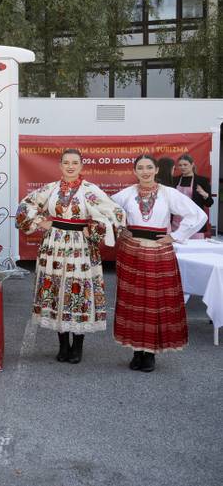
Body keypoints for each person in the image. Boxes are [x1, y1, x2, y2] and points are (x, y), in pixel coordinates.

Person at [16, 149, 125, 364]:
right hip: (54, 246)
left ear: (82, 166)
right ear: (60, 165)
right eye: (66, 162)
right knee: (57, 290)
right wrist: (40, 221)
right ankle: (63, 344)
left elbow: (116, 213)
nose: (70, 166)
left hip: (80, 248)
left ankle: (78, 346)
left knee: (78, 291)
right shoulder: (51, 189)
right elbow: (25, 206)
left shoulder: (90, 190)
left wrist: (93, 229)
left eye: (75, 162)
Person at [111, 154, 207, 373]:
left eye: (149, 167)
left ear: (156, 170)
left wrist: (175, 236)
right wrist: (120, 228)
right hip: (132, 252)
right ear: (134, 172)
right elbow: (108, 211)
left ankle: (150, 353)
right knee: (133, 300)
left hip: (159, 252)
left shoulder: (168, 193)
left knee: (153, 303)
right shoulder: (126, 194)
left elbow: (197, 215)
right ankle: (136, 351)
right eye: (140, 168)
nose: (145, 171)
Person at [172, 153, 213, 238]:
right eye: (180, 165)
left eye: (185, 165)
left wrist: (204, 194)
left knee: (195, 248)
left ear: (192, 164)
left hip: (195, 222)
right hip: (177, 222)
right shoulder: (174, 180)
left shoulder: (202, 181)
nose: (182, 167)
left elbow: (209, 203)